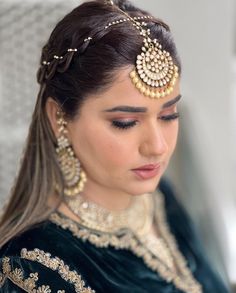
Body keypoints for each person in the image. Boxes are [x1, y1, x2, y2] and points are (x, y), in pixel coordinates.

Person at [0, 0, 230, 292]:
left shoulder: (157, 198)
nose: (157, 147)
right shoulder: (34, 269)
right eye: (125, 122)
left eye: (169, 115)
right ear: (58, 117)